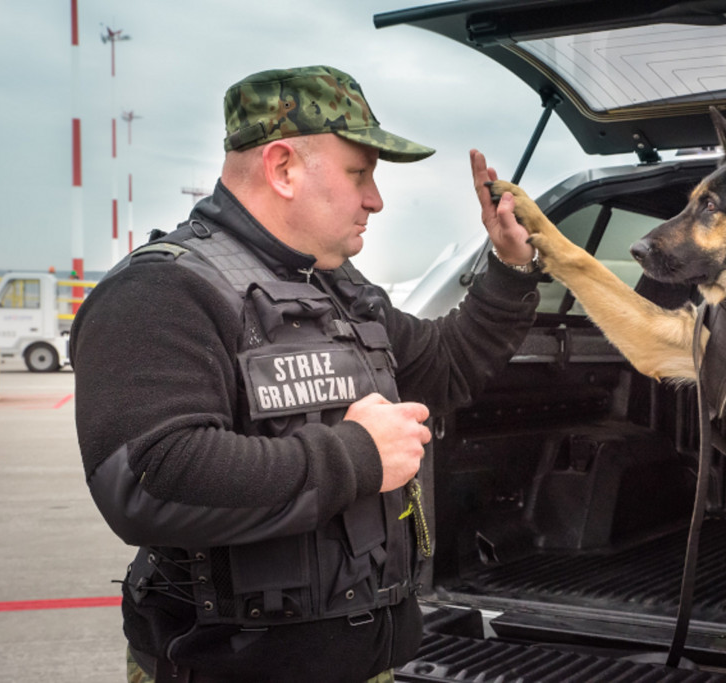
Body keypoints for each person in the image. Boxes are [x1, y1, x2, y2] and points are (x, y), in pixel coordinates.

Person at [70, 65, 541, 683]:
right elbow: (149, 478)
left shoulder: (337, 287)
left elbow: (446, 366)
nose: (376, 198)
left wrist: (509, 268)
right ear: (283, 167)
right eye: (359, 174)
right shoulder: (162, 290)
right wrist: (359, 455)